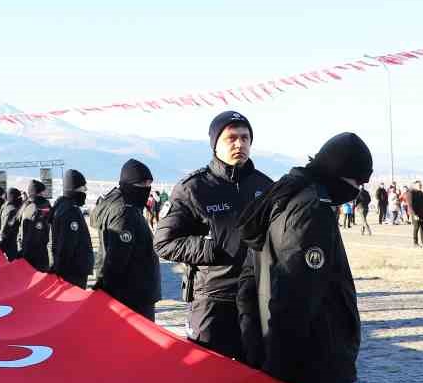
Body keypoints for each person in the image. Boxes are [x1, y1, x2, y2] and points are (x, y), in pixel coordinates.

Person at [238, 132, 372, 383]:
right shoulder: (311, 209)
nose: (357, 189)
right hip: (314, 367)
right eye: (357, 181)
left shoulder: (281, 197)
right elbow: (294, 296)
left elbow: (248, 285)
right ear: (338, 171)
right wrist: (278, 371)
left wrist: (256, 351)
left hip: (283, 358)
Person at [154, 110, 272, 359]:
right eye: (231, 138)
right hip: (213, 300)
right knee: (207, 375)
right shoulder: (194, 188)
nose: (240, 144)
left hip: (255, 299)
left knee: (255, 377)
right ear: (215, 144)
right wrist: (211, 248)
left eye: (245, 137)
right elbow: (164, 242)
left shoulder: (265, 186)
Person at [92, 158, 161, 320]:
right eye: (142, 185)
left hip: (133, 293)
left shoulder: (122, 204)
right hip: (133, 295)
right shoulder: (125, 212)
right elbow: (117, 258)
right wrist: (106, 290)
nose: (147, 189)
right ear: (130, 184)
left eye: (148, 184)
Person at [50, 168, 94, 288]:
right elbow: (66, 245)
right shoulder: (70, 212)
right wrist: (59, 270)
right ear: (73, 189)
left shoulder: (64, 207)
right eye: (82, 188)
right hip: (73, 272)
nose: (85, 191)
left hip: (72, 271)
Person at [18, 179, 53, 271]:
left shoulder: (26, 206)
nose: (46, 193)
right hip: (39, 257)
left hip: (29, 254)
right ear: (39, 193)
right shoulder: (38, 209)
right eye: (44, 191)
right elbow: (38, 236)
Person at [0, 187, 24, 259]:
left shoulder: (9, 208)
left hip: (9, 244)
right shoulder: (11, 209)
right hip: (10, 244)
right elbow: (6, 228)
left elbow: (5, 228)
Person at [408, 180, 423, 247]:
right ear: (414, 186)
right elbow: (410, 205)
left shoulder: (421, 193)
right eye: (418, 185)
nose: (420, 186)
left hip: (422, 213)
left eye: (420, 185)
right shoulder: (411, 193)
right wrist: (414, 215)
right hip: (415, 214)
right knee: (416, 228)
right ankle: (415, 243)